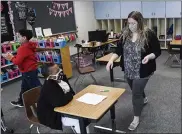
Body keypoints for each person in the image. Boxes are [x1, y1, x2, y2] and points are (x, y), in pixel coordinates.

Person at [106, 11, 161, 131]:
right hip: (128, 69)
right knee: (135, 89)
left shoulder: (148, 34)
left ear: (139, 22)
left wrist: (149, 56)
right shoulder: (125, 34)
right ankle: (144, 98)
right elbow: (118, 50)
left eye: (133, 23)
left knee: (135, 94)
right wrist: (111, 60)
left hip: (143, 70)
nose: (130, 26)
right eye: (128, 23)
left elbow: (157, 51)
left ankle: (136, 118)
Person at [37, 63, 89, 133]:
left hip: (64, 107)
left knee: (85, 114)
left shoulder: (61, 78)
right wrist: (68, 96)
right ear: (50, 76)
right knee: (79, 120)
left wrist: (68, 96)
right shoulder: (49, 86)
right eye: (57, 71)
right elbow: (60, 102)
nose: (60, 71)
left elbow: (71, 92)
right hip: (52, 114)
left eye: (59, 68)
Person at [4, 29, 41, 108]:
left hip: (28, 71)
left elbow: (17, 62)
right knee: (24, 87)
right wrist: (14, 57)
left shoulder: (23, 48)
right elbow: (22, 58)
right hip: (30, 70)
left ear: (24, 37)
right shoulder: (29, 45)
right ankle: (21, 102)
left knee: (36, 88)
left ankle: (45, 102)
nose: (17, 38)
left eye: (18, 36)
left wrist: (10, 58)